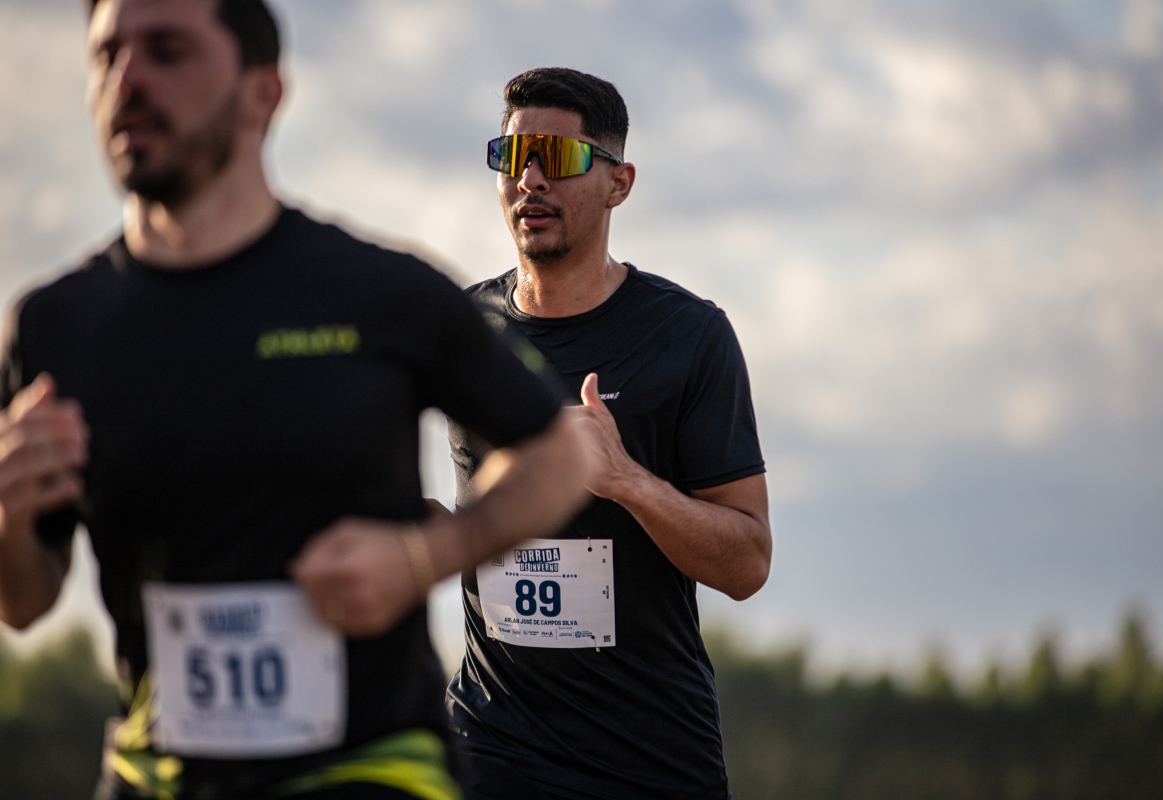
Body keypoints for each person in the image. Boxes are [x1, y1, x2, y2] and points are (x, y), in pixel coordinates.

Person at [0, 3, 589, 799]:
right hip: (161, 771)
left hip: (368, 767)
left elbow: (558, 454)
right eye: (107, 56)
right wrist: (7, 520)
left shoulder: (383, 292)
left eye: (167, 50)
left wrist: (422, 559)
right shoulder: (55, 325)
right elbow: (26, 601)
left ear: (263, 91)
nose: (128, 79)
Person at [444, 68, 772, 800]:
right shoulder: (461, 333)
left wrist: (625, 481)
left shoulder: (689, 336)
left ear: (619, 183)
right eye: (511, 156)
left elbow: (749, 564)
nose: (530, 180)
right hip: (489, 750)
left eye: (557, 159)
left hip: (647, 758)